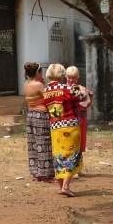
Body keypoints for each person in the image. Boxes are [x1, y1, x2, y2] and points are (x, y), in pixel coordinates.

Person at [42, 63, 86, 197]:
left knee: (58, 156)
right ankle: (66, 186)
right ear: (62, 75)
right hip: (70, 125)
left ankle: (61, 186)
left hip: (55, 127)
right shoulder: (67, 88)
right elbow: (82, 97)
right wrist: (83, 91)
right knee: (72, 155)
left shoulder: (45, 91)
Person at [23, 62, 54, 182]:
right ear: (37, 72)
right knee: (44, 144)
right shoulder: (38, 85)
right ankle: (45, 174)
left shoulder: (26, 85)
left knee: (33, 144)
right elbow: (49, 98)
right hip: (41, 115)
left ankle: (36, 172)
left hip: (30, 115)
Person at [65, 65, 94, 162]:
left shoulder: (82, 88)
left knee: (79, 143)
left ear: (78, 78)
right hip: (68, 119)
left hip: (81, 119)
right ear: (65, 77)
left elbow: (87, 104)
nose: (71, 80)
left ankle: (78, 167)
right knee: (69, 143)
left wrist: (90, 97)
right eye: (69, 77)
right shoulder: (64, 89)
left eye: (73, 78)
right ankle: (69, 168)